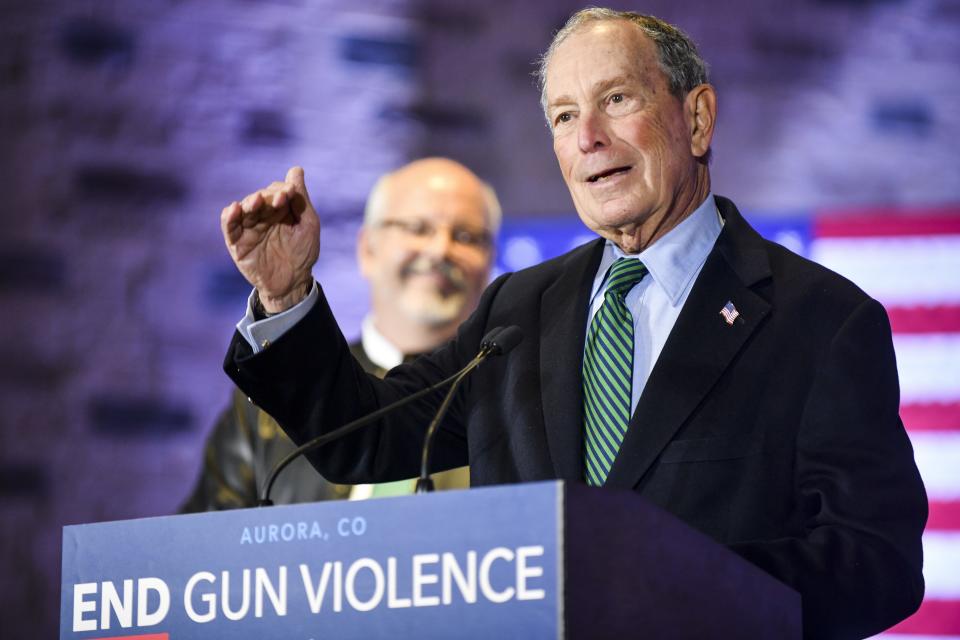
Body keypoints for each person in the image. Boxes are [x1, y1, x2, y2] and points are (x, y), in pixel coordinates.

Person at [219, 9, 926, 639]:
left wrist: (677, 586)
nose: (587, 137)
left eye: (616, 100)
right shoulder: (516, 311)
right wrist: (287, 298)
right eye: (562, 115)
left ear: (698, 118)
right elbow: (365, 441)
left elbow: (876, 562)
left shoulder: (820, 321)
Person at [183, 157, 500, 510]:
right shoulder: (276, 403)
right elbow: (203, 548)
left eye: (466, 236)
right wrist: (283, 297)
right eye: (417, 228)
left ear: (490, 260)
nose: (441, 250)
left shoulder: (504, 402)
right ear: (367, 249)